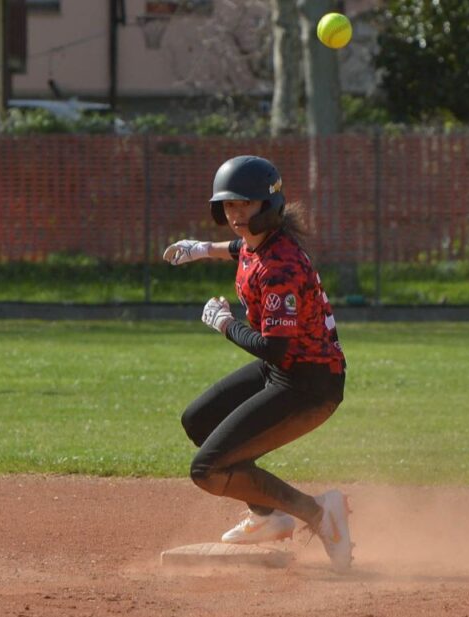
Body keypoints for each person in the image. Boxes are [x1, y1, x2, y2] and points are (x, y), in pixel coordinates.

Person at [162, 155, 352, 571]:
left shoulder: (279, 266)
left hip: (309, 384)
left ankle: (320, 513)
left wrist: (225, 324)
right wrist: (200, 250)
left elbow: (276, 349)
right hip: (288, 371)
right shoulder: (262, 242)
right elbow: (239, 249)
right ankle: (268, 516)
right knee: (199, 420)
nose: (236, 214)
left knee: (208, 470)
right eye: (229, 205)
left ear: (267, 206)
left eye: (245, 205)